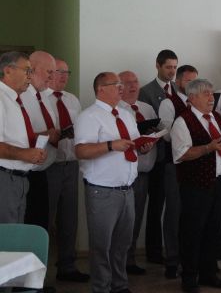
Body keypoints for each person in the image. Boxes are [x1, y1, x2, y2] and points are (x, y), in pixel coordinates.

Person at [75, 72, 155, 293]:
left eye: (122, 84)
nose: (121, 88)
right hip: (102, 191)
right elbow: (80, 151)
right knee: (102, 245)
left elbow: (131, 145)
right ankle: (101, 287)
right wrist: (110, 145)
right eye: (116, 84)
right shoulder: (89, 116)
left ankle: (120, 285)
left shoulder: (126, 115)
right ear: (100, 89)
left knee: (122, 244)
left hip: (127, 189)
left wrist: (142, 147)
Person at [170, 79, 221, 293]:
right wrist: (208, 147)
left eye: (211, 93)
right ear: (192, 98)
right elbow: (181, 154)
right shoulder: (182, 121)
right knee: (192, 231)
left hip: (220, 182)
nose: (211, 98)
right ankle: (189, 277)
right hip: (196, 186)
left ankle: (209, 273)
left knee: (214, 230)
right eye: (206, 93)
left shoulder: (217, 117)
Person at [45, 58, 89, 282]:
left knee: (69, 218)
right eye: (59, 72)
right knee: (45, 219)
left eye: (66, 72)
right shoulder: (40, 98)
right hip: (48, 166)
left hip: (71, 164)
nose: (63, 76)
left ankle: (67, 266)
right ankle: (41, 274)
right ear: (49, 73)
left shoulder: (72, 99)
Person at [138, 49, 181, 265]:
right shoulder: (146, 92)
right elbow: (143, 124)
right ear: (158, 65)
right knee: (155, 206)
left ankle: (173, 249)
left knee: (173, 206)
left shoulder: (179, 90)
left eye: (175, 67)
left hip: (176, 157)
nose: (172, 71)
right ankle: (154, 252)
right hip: (156, 156)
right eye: (168, 67)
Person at [157, 64, 198, 279]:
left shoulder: (199, 103)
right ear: (178, 81)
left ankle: (190, 258)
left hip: (196, 163)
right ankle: (172, 260)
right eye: (189, 81)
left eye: (195, 81)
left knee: (192, 212)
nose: (192, 85)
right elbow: (166, 135)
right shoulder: (168, 102)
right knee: (174, 212)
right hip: (175, 165)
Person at [118, 70, 158, 276]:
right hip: (124, 174)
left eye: (135, 82)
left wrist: (152, 138)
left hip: (145, 173)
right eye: (128, 83)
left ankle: (130, 259)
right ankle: (119, 263)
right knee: (123, 222)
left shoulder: (147, 108)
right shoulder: (116, 110)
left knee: (136, 219)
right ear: (119, 87)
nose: (133, 86)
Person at [0, 51, 47, 223]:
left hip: (20, 179)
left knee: (15, 233)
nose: (30, 76)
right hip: (5, 178)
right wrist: (24, 154)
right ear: (8, 71)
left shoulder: (15, 100)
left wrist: (34, 152)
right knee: (6, 234)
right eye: (27, 70)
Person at [20, 51, 60, 230]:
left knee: (41, 225)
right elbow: (16, 135)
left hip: (43, 171)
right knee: (25, 226)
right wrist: (46, 134)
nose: (52, 77)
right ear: (33, 69)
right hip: (24, 172)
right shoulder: (19, 96)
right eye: (49, 72)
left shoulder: (44, 96)